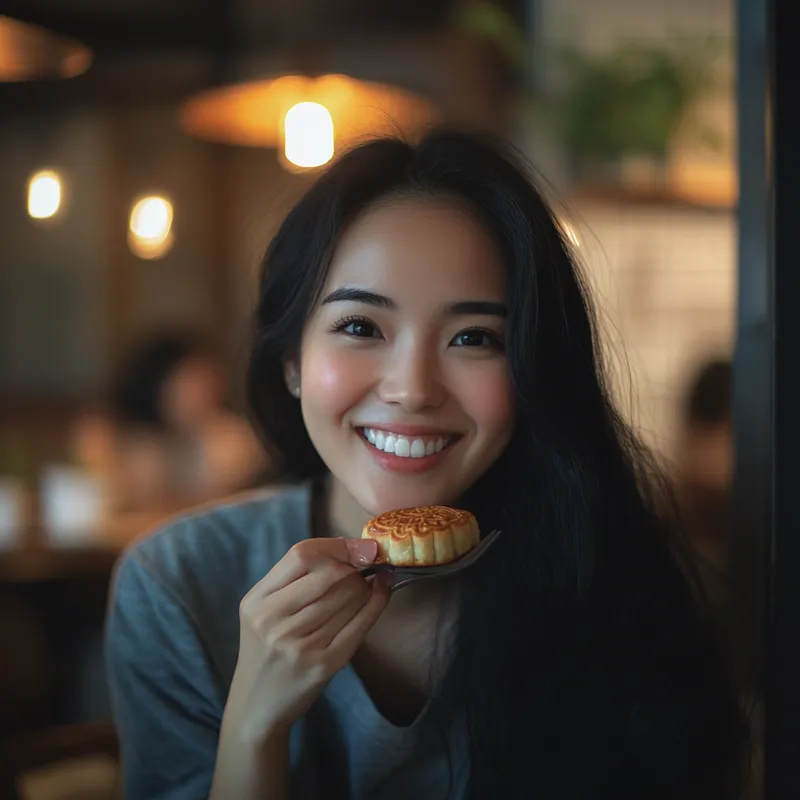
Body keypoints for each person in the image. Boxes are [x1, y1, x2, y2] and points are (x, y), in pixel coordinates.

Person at [105, 131, 747, 799]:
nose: (412, 389)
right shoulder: (178, 586)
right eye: (361, 327)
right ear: (292, 359)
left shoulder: (606, 579)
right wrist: (252, 731)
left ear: (534, 370)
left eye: (474, 337)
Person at [75, 332, 266, 514]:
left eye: (208, 385)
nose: (201, 396)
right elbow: (99, 493)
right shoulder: (111, 431)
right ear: (158, 382)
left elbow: (220, 502)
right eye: (189, 384)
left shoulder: (232, 438)